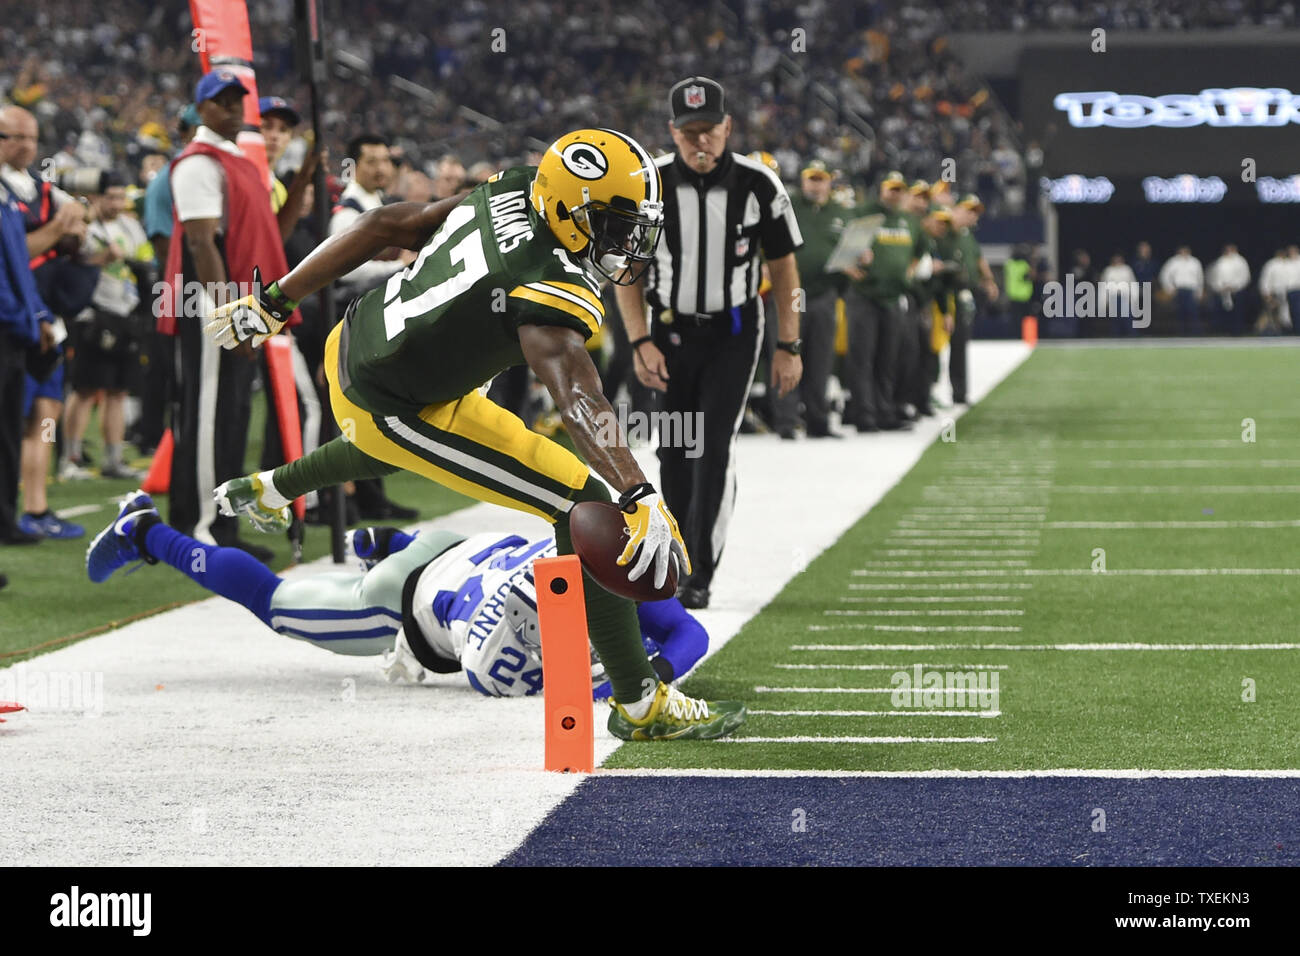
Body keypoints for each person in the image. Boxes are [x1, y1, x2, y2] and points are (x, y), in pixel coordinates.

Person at [205, 127, 745, 741]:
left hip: (361, 342)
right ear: (571, 210)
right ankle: (640, 704)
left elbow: (390, 224)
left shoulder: (516, 186)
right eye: (615, 223)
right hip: (395, 401)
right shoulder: (551, 285)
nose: (627, 240)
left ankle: (270, 487)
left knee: (404, 453)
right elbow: (577, 395)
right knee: (585, 506)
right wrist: (638, 491)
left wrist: (275, 301)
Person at [87, 489, 710, 701]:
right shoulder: (576, 592)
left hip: (444, 547)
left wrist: (650, 673)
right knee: (276, 604)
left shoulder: (594, 553)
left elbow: (689, 634)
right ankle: (147, 531)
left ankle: (383, 540)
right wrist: (609, 680)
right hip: (406, 603)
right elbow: (488, 675)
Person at [613, 76, 804, 609]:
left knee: (713, 446)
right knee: (674, 448)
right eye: (690, 131)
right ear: (673, 132)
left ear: (728, 128)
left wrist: (789, 346)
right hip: (669, 334)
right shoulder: (648, 185)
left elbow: (785, 270)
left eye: (710, 131)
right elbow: (628, 273)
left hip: (734, 334)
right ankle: (673, 561)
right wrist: (639, 340)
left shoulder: (759, 184)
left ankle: (698, 572)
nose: (701, 142)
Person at [160, 70, 299, 561]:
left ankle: (221, 522)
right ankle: (199, 526)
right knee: (209, 414)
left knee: (234, 413)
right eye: (222, 101)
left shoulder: (236, 158)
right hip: (213, 304)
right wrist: (229, 314)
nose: (235, 107)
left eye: (238, 99)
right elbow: (201, 242)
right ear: (201, 108)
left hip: (241, 304)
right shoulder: (197, 163)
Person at [0, 104, 88, 540]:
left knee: (44, 419)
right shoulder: (16, 197)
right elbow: (19, 254)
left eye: (32, 138)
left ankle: (36, 506)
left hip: (46, 323)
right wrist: (57, 230)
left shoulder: (42, 190)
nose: (27, 146)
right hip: (15, 325)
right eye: (16, 137)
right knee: (15, 423)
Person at [62, 176, 153, 480]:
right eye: (110, 197)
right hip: (94, 315)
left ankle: (113, 459)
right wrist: (104, 257)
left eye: (119, 197)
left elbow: (145, 261)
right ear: (97, 198)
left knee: (118, 390)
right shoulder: (84, 230)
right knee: (85, 389)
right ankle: (70, 458)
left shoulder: (131, 227)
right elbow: (70, 270)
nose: (116, 204)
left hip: (126, 315)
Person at [0, 156, 57, 546]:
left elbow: (20, 264)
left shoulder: (6, 196)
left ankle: (6, 520)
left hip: (18, 330)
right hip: (9, 326)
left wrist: (36, 314)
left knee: (12, 432)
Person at [841, 170, 916, 430]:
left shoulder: (908, 220)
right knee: (863, 358)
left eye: (899, 189)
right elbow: (843, 247)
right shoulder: (864, 213)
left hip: (893, 297)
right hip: (864, 295)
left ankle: (884, 411)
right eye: (890, 188)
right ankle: (864, 415)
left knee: (887, 358)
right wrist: (855, 257)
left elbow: (921, 250)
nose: (895, 194)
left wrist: (908, 271)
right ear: (881, 189)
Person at [782, 159, 848, 438]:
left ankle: (818, 421)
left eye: (820, 178)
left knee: (821, 359)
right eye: (811, 178)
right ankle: (786, 422)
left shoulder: (841, 212)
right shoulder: (787, 205)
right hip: (792, 293)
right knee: (788, 353)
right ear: (802, 180)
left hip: (825, 293)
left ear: (830, 181)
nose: (815, 183)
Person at [948, 194, 997, 401]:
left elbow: (978, 257)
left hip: (965, 293)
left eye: (975, 212)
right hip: (947, 293)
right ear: (956, 209)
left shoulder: (967, 234)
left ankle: (960, 391)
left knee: (960, 342)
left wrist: (989, 280)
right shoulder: (946, 231)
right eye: (969, 210)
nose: (973, 216)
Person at [1159, 246, 1203, 335]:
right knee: (1180, 312)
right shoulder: (1173, 262)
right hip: (1179, 290)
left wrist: (1199, 291)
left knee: (1192, 312)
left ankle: (1195, 333)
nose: (1184, 253)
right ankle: (1181, 333)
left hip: (1191, 290)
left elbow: (1200, 278)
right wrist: (1170, 288)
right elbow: (1164, 275)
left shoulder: (1195, 262)